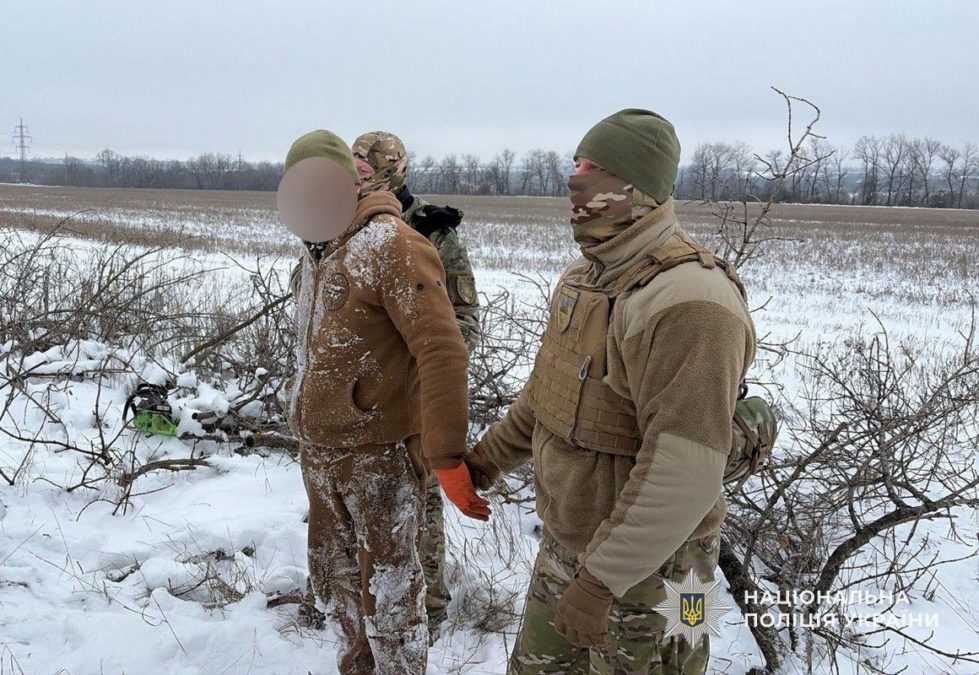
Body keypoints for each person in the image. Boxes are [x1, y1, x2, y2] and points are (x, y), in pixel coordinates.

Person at [464, 109, 757, 674]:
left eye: (594, 167)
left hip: (668, 575)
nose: (576, 179)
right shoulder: (588, 276)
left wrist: (601, 583)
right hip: (572, 545)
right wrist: (485, 461)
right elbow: (546, 399)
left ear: (636, 185)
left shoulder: (691, 300)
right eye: (575, 163)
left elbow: (685, 469)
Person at [282, 129, 486, 674]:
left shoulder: (394, 243)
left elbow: (445, 348)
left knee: (393, 594)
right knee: (337, 585)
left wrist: (442, 451)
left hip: (381, 450)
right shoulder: (318, 249)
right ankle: (358, 662)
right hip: (321, 451)